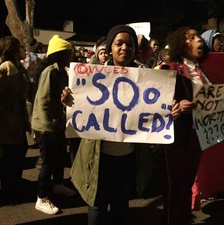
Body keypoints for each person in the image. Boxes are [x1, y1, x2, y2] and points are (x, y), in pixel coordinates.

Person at [65, 25, 180, 225]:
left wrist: (169, 114)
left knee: (121, 206)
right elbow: (78, 112)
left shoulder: (147, 79)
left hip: (128, 159)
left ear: (135, 49)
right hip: (99, 157)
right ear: (110, 48)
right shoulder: (91, 77)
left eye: (129, 44)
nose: (124, 47)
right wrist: (68, 101)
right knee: (97, 206)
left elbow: (154, 114)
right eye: (119, 43)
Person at [160, 26, 211, 225]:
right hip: (175, 138)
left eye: (198, 36)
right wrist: (177, 105)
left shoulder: (202, 71)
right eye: (192, 37)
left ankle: (183, 218)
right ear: (182, 44)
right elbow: (156, 102)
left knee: (188, 181)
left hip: (196, 136)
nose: (199, 40)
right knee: (175, 187)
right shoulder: (170, 68)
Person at [31, 35, 76, 215]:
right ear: (62, 53)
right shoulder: (50, 71)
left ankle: (57, 185)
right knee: (48, 161)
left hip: (55, 124)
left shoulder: (60, 70)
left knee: (58, 158)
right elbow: (43, 102)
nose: (72, 55)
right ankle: (41, 198)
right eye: (69, 52)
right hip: (46, 125)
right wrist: (54, 121)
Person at [0, 36, 31, 201]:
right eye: (20, 47)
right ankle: (9, 191)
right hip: (8, 124)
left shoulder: (19, 67)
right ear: (13, 49)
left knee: (19, 153)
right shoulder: (5, 68)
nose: (24, 49)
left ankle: (14, 185)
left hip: (17, 120)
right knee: (10, 157)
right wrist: (6, 110)